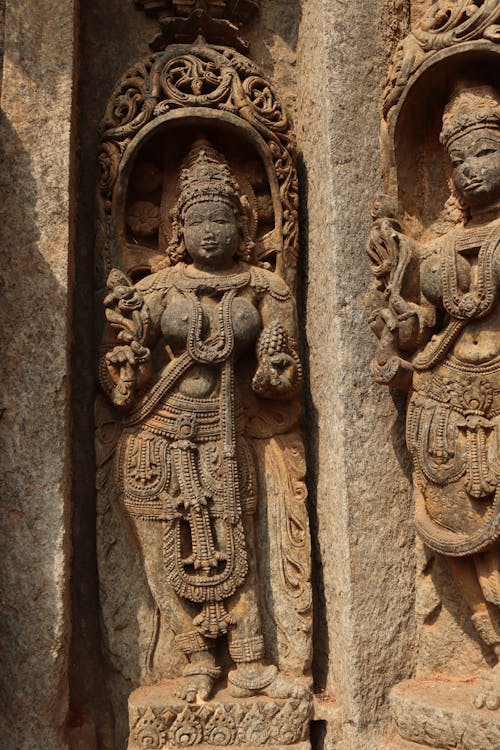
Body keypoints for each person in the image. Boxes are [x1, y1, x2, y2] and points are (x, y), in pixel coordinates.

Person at [98, 139, 307, 703]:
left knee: (238, 533)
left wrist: (275, 373)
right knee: (169, 546)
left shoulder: (265, 288)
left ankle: (250, 655)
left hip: (228, 432)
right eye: (197, 220)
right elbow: (120, 372)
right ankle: (192, 657)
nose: (210, 231)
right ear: (176, 229)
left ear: (243, 226)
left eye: (221, 218)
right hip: (159, 433)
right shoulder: (154, 290)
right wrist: (124, 367)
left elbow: (285, 377)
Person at [367, 82, 500, 709]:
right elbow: (421, 322)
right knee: (452, 529)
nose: (473, 170)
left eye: (486, 152)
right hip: (445, 398)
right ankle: (493, 648)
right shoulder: (437, 249)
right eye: (461, 160)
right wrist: (400, 317)